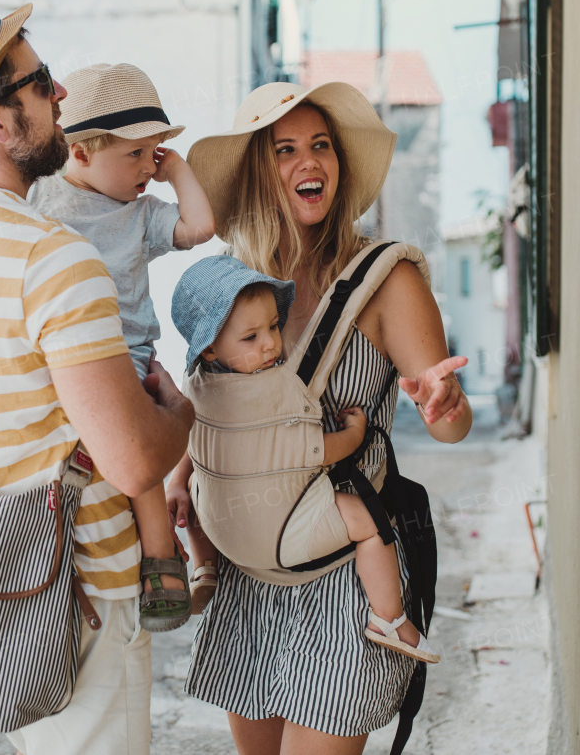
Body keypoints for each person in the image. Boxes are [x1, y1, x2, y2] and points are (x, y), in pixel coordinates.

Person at [0, 1, 194, 755]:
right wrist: (180, 414)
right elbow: (132, 458)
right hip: (80, 583)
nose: (60, 97)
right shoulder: (54, 258)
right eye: (42, 81)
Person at [166, 81, 471, 755]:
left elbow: (451, 421)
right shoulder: (228, 283)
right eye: (285, 149)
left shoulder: (388, 279)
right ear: (256, 169)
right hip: (253, 563)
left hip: (345, 565)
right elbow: (216, 404)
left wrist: (443, 404)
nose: (310, 161)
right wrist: (182, 473)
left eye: (321, 146)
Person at [170, 255, 440, 663]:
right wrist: (354, 434)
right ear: (209, 349)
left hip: (222, 534)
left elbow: (193, 444)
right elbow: (314, 451)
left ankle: (203, 566)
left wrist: (176, 482)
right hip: (281, 535)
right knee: (369, 522)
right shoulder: (274, 391)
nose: (271, 344)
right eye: (251, 338)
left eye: (274, 327)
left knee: (198, 485)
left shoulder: (196, 386)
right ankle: (389, 618)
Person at [28, 63, 215, 631]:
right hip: (61, 356)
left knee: (141, 469)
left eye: (154, 152)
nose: (146, 167)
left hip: (128, 357)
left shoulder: (140, 215)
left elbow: (201, 226)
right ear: (80, 152)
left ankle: (161, 558)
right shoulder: (41, 198)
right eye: (135, 154)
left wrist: (176, 168)